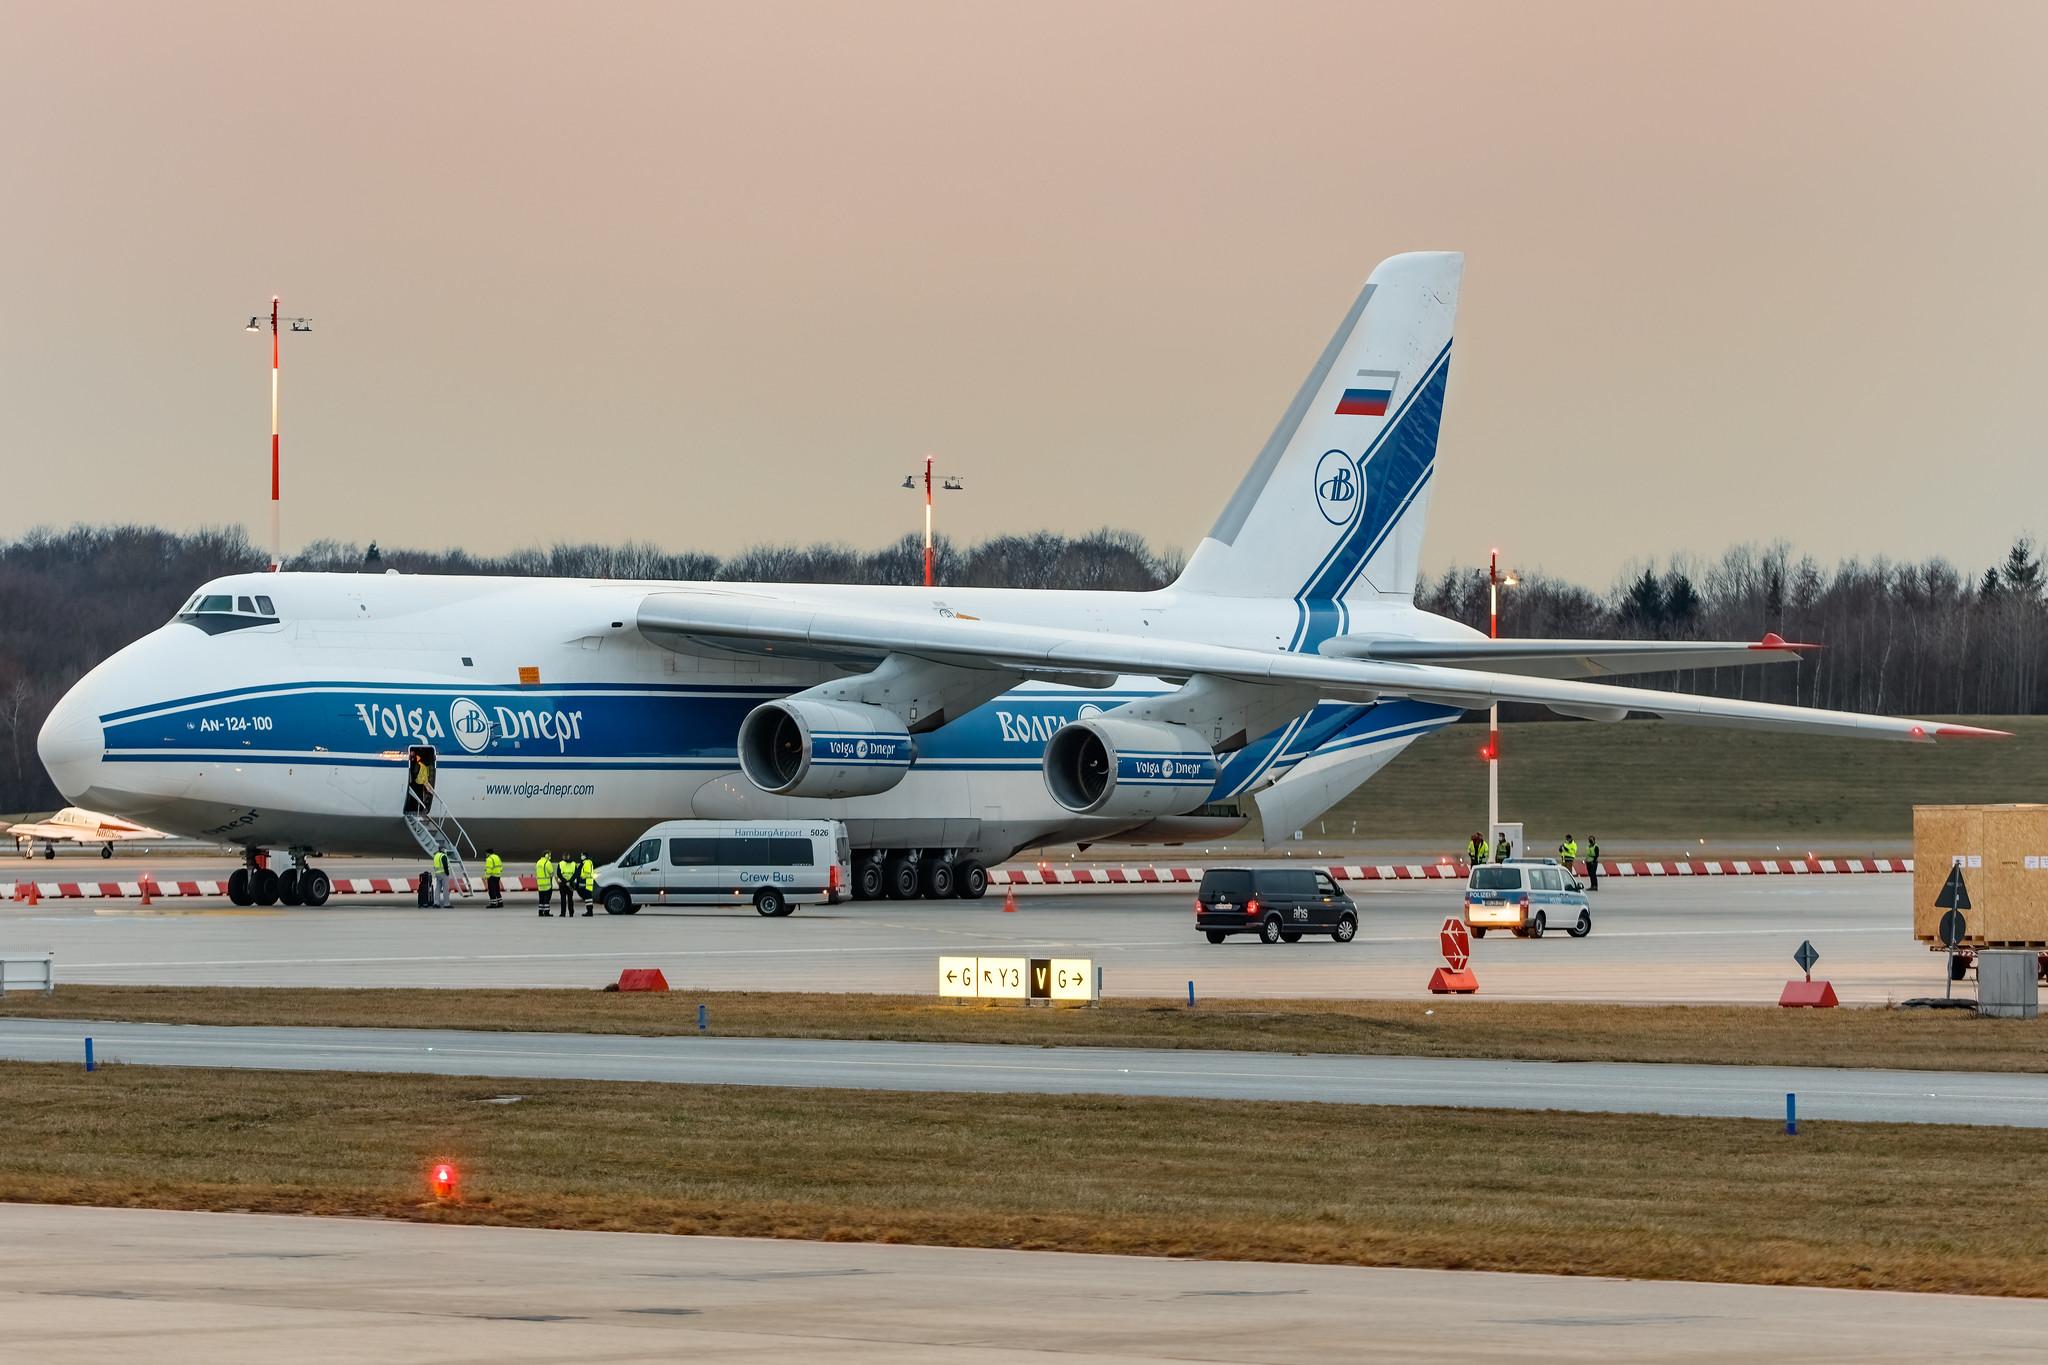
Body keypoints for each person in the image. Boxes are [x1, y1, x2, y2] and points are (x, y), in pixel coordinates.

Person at [535, 850, 555, 916]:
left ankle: (540, 912)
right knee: (547, 899)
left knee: (541, 899)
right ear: (546, 855)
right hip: (547, 884)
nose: (550, 856)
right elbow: (551, 873)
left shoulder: (538, 862)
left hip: (540, 884)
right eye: (549, 855)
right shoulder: (548, 863)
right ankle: (546, 912)